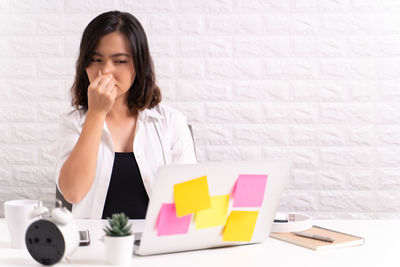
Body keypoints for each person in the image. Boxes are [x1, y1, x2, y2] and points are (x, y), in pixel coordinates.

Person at [55, 11, 197, 219]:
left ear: (138, 65)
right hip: (94, 246)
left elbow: (191, 201)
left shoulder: (171, 122)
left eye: (119, 61)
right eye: (96, 59)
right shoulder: (74, 123)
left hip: (157, 246)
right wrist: (96, 113)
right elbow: (73, 193)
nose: (105, 71)